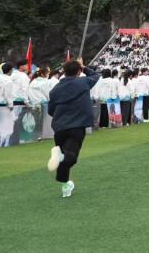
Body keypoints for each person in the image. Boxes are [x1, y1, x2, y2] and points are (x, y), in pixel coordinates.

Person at [47, 59, 100, 198]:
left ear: (64, 72)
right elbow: (95, 75)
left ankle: (66, 186)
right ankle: (61, 157)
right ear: (79, 71)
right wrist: (84, 67)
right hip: (77, 124)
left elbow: (51, 110)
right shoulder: (83, 82)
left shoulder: (55, 89)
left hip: (59, 126)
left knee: (64, 159)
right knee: (71, 156)